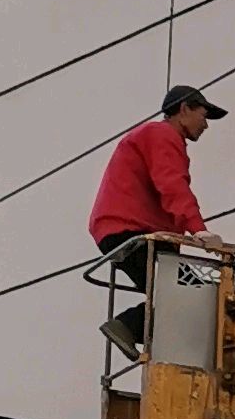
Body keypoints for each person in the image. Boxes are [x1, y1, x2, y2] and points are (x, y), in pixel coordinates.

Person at [89, 85, 225, 343]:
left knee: (201, 287)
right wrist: (198, 228)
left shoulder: (152, 137)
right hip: (135, 231)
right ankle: (129, 326)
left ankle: (133, 328)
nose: (205, 125)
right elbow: (172, 184)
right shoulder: (162, 134)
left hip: (127, 232)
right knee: (204, 288)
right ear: (184, 109)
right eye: (203, 115)